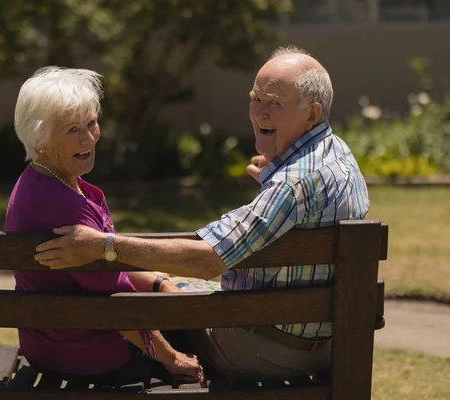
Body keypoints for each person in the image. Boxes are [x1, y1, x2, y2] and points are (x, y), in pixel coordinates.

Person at [32, 46, 370, 381]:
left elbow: (207, 260)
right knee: (168, 287)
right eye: (256, 98)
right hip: (320, 345)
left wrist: (104, 245)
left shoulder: (291, 186)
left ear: (311, 113)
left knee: (147, 301)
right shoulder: (337, 157)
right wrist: (271, 175)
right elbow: (304, 198)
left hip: (258, 350)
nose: (259, 113)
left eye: (274, 103)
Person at [6, 66, 204, 386]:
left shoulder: (39, 180)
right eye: (71, 129)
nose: (88, 137)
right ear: (39, 138)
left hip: (47, 345)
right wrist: (173, 359)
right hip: (93, 357)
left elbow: (105, 267)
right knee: (201, 341)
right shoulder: (65, 207)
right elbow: (118, 305)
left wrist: (156, 283)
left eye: (91, 123)